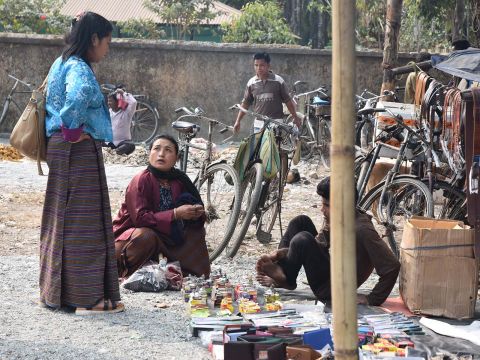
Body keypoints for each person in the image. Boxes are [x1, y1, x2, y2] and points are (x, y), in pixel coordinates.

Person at [41, 11, 123, 314]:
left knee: (62, 220)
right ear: (93, 39)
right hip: (76, 150)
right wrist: (75, 133)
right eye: (107, 41)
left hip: (61, 149)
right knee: (83, 224)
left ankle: (56, 293)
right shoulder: (79, 67)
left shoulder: (61, 62)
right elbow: (76, 98)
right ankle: (87, 297)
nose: (107, 48)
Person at [256, 177, 400, 306]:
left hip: (331, 290)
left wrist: (372, 299)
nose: (321, 210)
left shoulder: (362, 229)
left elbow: (392, 266)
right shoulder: (337, 218)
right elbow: (317, 245)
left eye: (327, 205)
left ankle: (285, 278)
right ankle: (284, 275)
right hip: (332, 270)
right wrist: (279, 254)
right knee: (300, 222)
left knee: (303, 239)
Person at [113, 134, 210, 279]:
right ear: (149, 153)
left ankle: (178, 271)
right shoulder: (141, 179)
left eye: (168, 150)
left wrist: (195, 213)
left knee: (195, 231)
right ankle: (126, 271)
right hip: (131, 240)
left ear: (177, 158)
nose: (161, 154)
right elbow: (140, 219)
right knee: (146, 236)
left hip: (166, 238)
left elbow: (194, 207)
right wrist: (176, 213)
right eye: (156, 149)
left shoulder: (180, 180)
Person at [234, 52, 301, 134]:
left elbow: (288, 101)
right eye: (256, 65)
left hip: (276, 124)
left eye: (262, 65)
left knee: (274, 146)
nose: (259, 68)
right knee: (259, 146)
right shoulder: (251, 83)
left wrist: (296, 118)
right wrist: (238, 121)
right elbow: (245, 104)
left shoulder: (278, 81)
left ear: (268, 66)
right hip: (258, 125)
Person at [107, 87, 137, 155]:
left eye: (111, 101)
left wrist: (123, 93)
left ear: (117, 101)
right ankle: (115, 152)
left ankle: (117, 152)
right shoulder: (108, 112)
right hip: (109, 143)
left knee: (131, 145)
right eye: (108, 101)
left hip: (122, 143)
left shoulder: (127, 112)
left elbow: (134, 102)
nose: (108, 103)